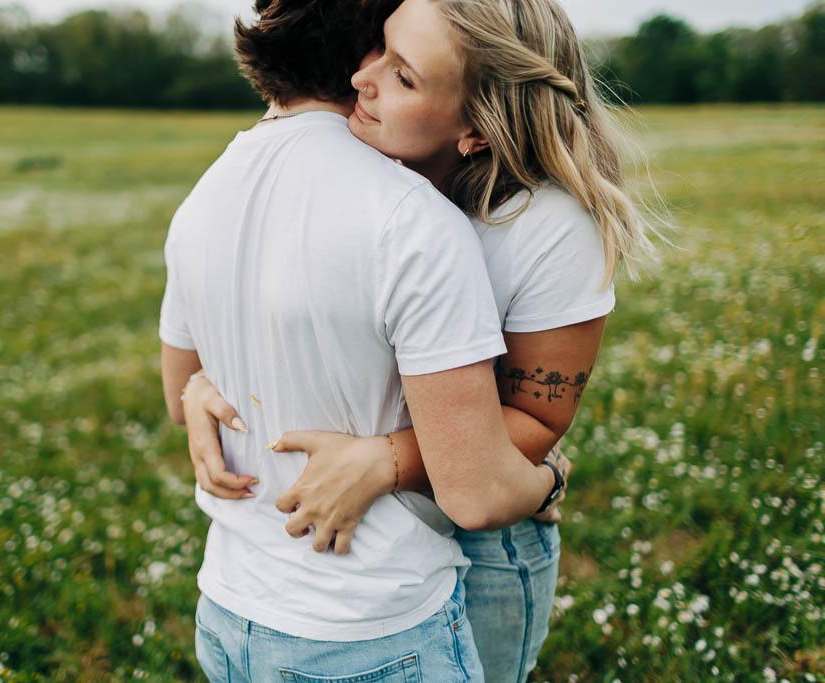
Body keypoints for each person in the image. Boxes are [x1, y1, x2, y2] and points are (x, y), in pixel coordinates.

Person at [180, 0, 660, 680]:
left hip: (487, 536)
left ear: (477, 131)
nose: (361, 79)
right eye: (378, 50)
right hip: (350, 551)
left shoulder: (547, 227)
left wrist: (389, 460)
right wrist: (203, 384)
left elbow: (540, 415)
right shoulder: (367, 174)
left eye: (404, 77)